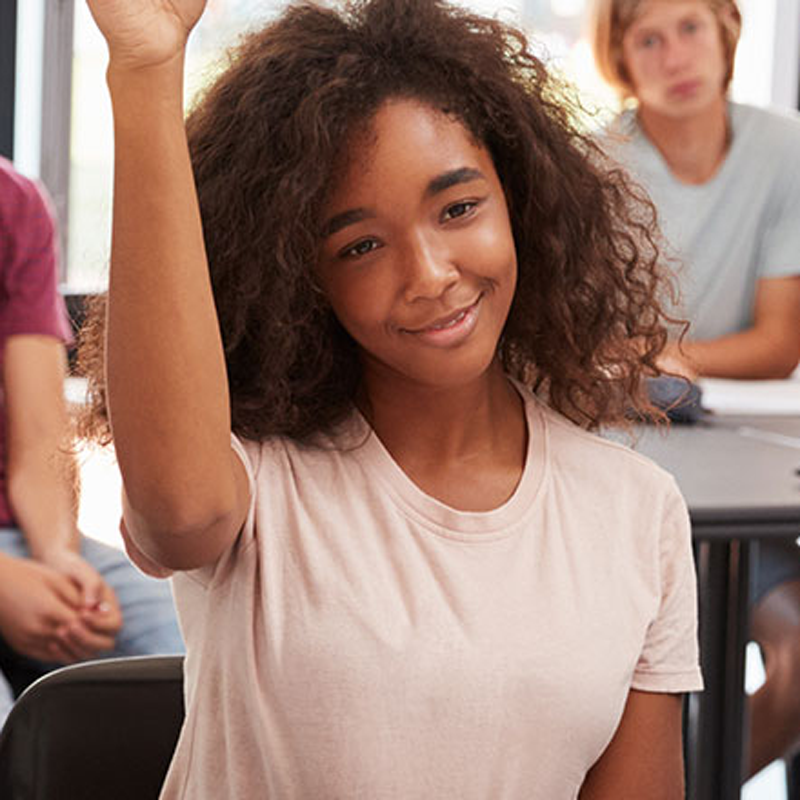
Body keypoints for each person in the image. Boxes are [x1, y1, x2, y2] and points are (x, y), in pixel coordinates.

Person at [82, 0, 702, 795]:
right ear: (302, 278)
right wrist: (144, 70)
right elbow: (177, 513)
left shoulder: (637, 513)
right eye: (361, 245)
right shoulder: (259, 482)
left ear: (520, 198)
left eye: (459, 208)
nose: (430, 274)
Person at [589, 0, 800, 778]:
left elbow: (779, 344)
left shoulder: (784, 148)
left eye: (690, 28)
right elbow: (585, 341)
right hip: (623, 490)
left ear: (727, 34)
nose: (674, 55)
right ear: (622, 56)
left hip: (739, 485)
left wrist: (672, 354)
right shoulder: (595, 160)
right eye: (649, 38)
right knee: (618, 682)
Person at [0, 156, 184, 729]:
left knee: (197, 664)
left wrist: (57, 552)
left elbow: (40, 439)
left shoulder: (14, 202)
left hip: (17, 538)